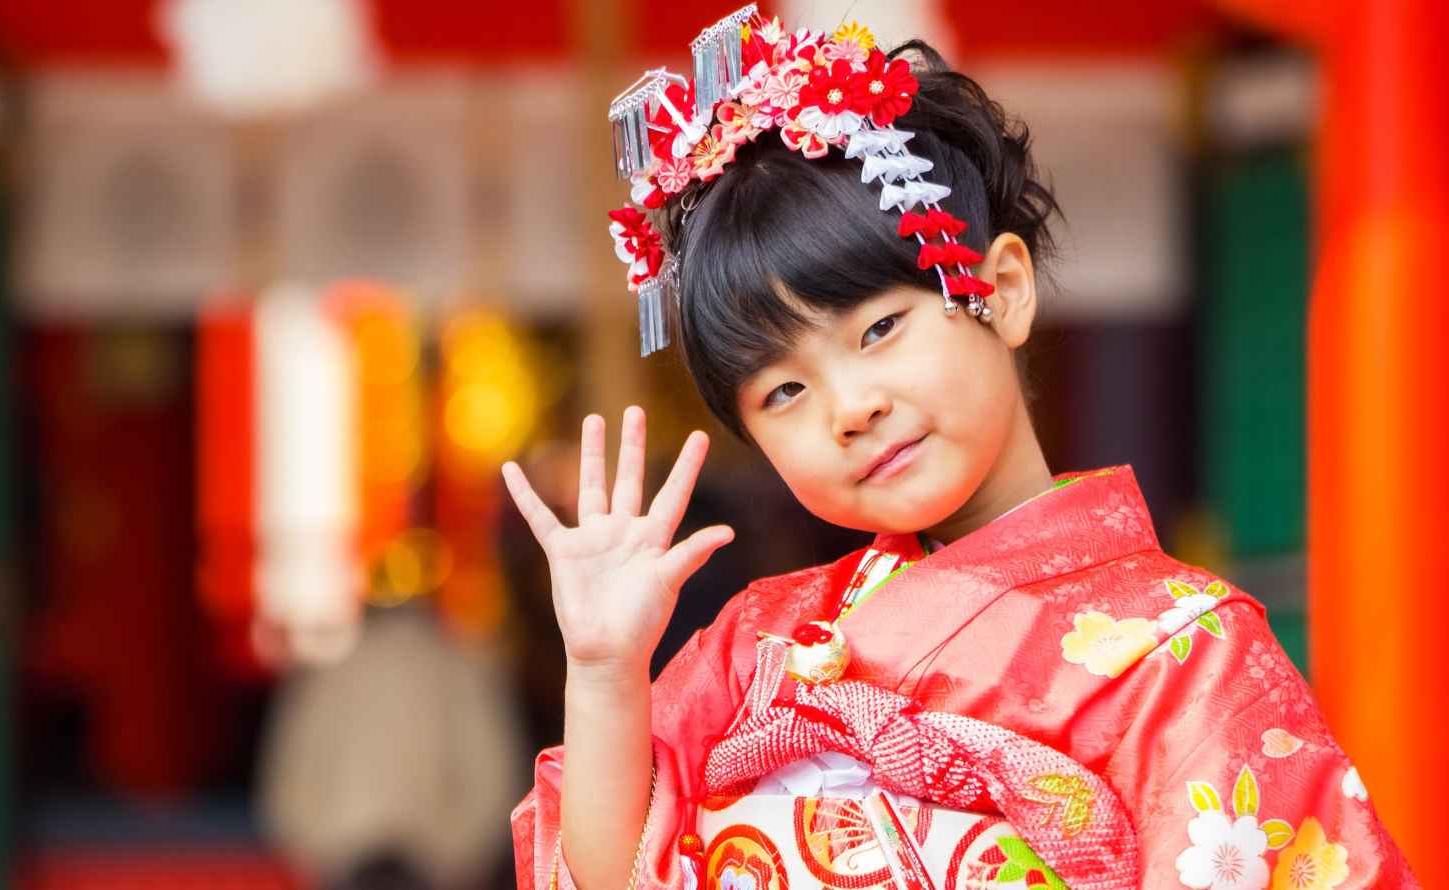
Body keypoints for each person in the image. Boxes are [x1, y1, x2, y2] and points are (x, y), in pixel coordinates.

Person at [503, 10, 1417, 889]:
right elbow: (613, 869)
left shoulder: (1189, 654)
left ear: (1002, 289)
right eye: (784, 392)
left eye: (880, 329)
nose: (850, 408)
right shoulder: (757, 645)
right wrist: (604, 669)